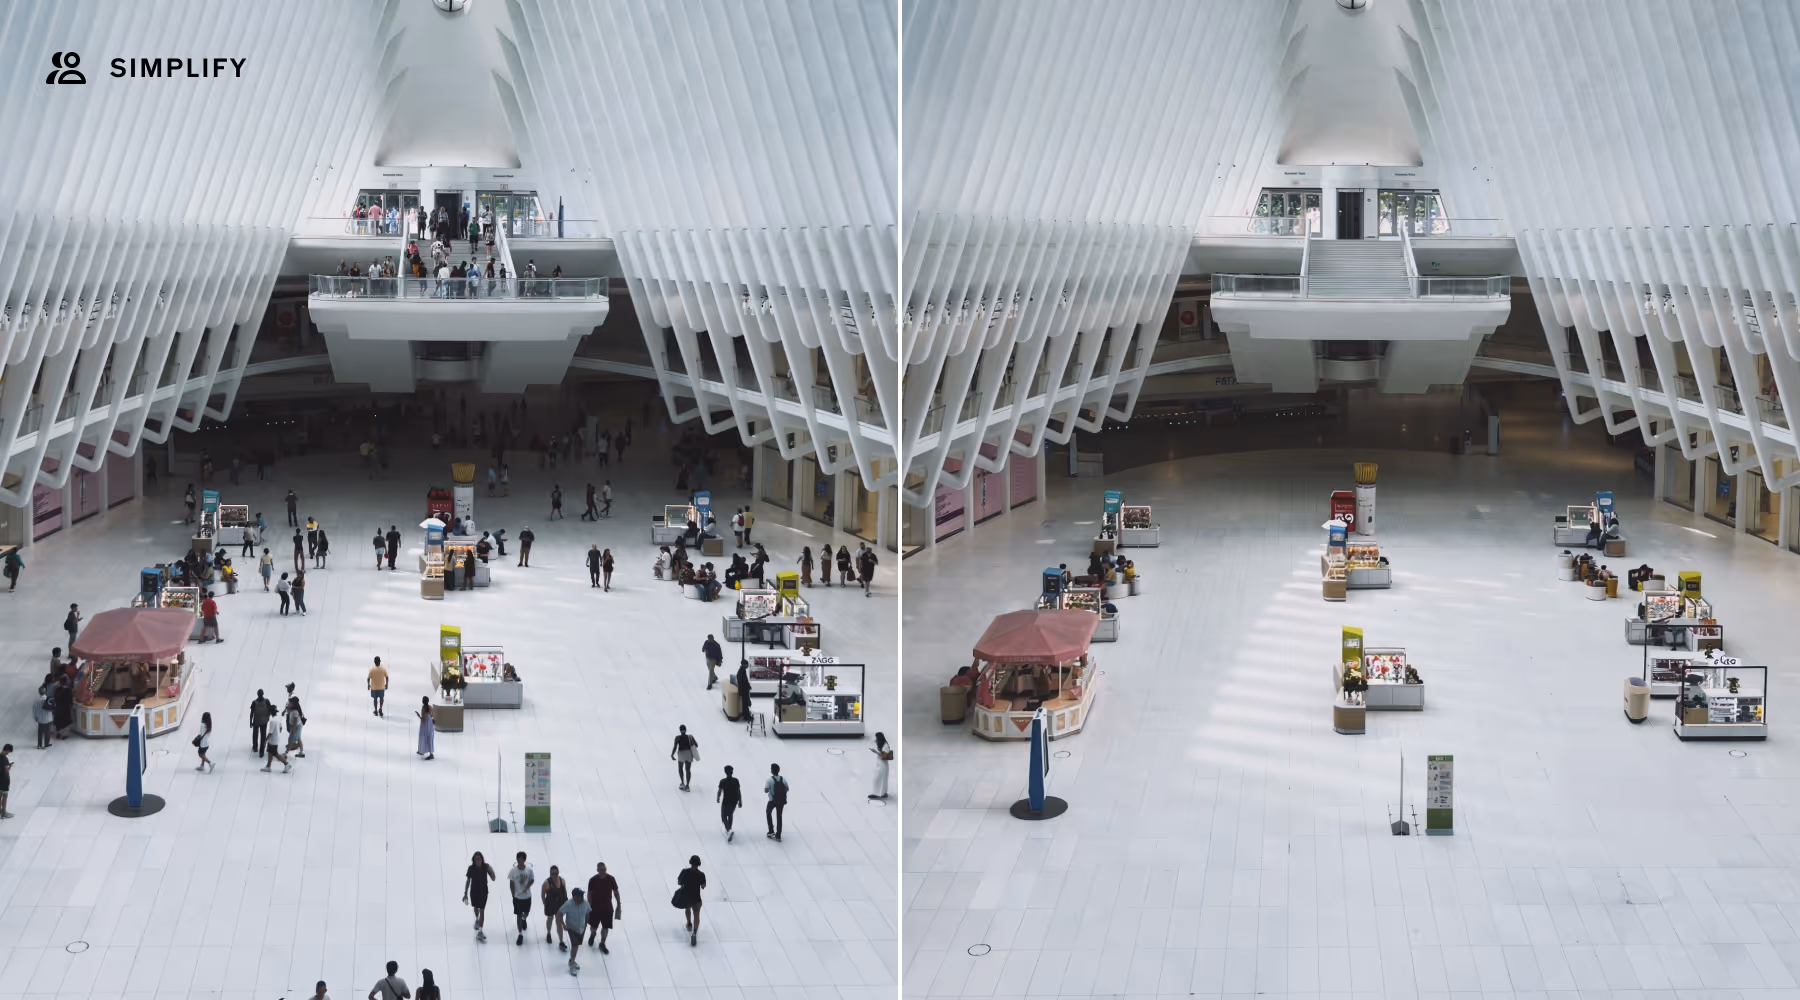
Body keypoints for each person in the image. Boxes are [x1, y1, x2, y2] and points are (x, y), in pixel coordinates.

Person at [464, 851, 496, 941]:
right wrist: (465, 893)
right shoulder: (471, 868)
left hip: (483, 892)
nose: (478, 861)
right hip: (474, 892)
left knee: (482, 910)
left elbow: (493, 878)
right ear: (474, 860)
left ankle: (480, 931)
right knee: (476, 907)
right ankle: (477, 919)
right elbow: (468, 881)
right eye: (476, 859)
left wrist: (491, 870)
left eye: (479, 859)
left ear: (482, 859)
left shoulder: (486, 867)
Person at [558, 888, 590, 975]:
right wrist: (563, 924)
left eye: (582, 896)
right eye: (580, 896)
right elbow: (559, 913)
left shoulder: (585, 903)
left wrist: (585, 924)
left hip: (581, 928)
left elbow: (588, 912)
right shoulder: (568, 904)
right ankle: (572, 963)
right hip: (571, 928)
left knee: (577, 945)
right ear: (575, 897)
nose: (582, 898)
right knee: (575, 945)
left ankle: (572, 960)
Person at [676, 855, 706, 946]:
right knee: (696, 914)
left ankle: (689, 924)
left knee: (687, 909)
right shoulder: (701, 874)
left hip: (687, 897)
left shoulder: (684, 872)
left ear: (690, 862)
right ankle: (694, 933)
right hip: (696, 897)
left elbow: (679, 882)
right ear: (698, 864)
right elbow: (703, 886)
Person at [508, 852, 536, 946]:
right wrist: (513, 894)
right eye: (519, 859)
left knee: (526, 912)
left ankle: (524, 918)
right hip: (517, 897)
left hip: (527, 896)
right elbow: (511, 883)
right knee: (518, 915)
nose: (520, 860)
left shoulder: (529, 870)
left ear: (524, 859)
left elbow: (532, 879)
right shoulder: (513, 871)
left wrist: (528, 886)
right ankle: (520, 934)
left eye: (522, 859)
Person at [541, 864, 570, 947]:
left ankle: (561, 941)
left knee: (559, 922)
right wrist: (545, 904)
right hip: (550, 904)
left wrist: (566, 904)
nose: (554, 875)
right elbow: (542, 895)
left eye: (556, 873)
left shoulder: (562, 881)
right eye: (552, 874)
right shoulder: (546, 883)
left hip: (559, 905)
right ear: (550, 874)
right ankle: (548, 933)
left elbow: (564, 893)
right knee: (550, 919)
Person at [717, 764, 743, 841]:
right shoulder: (736, 780)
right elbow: (738, 791)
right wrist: (740, 801)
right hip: (734, 801)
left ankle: (729, 830)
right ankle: (729, 829)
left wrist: (718, 797)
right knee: (730, 814)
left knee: (723, 816)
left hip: (726, 801)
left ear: (725, 772)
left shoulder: (723, 781)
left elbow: (719, 791)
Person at [765, 763, 788, 841]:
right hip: (781, 801)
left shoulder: (769, 780)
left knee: (768, 813)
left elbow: (766, 790)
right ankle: (778, 835)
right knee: (779, 816)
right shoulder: (783, 779)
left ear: (772, 771)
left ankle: (771, 830)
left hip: (772, 800)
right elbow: (787, 788)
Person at [671, 725, 698, 790]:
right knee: (688, 770)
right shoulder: (690, 737)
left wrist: (672, 754)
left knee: (680, 768)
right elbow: (696, 745)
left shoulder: (677, 737)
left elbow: (675, 747)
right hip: (689, 753)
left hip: (681, 753)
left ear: (680, 730)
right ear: (686, 730)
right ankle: (687, 786)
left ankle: (682, 783)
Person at [250, 689, 275, 754]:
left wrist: (250, 721)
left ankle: (255, 747)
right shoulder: (266, 701)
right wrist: (269, 717)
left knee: (256, 735)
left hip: (257, 721)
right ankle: (261, 750)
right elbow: (270, 709)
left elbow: (252, 713)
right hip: (263, 721)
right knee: (262, 735)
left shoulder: (255, 702)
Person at [869, 731, 892, 800]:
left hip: (883, 765)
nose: (876, 739)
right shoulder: (882, 745)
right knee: (882, 779)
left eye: (877, 738)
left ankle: (877, 793)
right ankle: (883, 793)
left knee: (877, 779)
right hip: (880, 764)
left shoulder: (886, 746)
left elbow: (884, 755)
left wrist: (876, 752)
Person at [32, 683, 53, 749]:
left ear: (39, 692)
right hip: (48, 719)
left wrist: (35, 717)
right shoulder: (49, 699)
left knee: (40, 732)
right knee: (47, 732)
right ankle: (46, 744)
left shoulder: (36, 701)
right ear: (45, 692)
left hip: (40, 719)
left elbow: (34, 710)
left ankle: (39, 744)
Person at [0, 745, 12, 818]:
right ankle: (3, 812)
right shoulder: (4, 759)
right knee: (4, 796)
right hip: (4, 779)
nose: (8, 753)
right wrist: (9, 766)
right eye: (9, 751)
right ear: (7, 750)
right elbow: (6, 770)